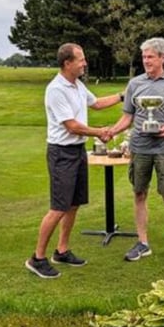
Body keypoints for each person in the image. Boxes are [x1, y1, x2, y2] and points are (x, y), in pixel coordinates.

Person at [25, 43, 124, 279]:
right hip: (61, 153)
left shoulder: (77, 85)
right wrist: (100, 132)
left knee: (73, 204)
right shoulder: (56, 89)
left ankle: (61, 250)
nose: (85, 63)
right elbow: (71, 126)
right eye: (80, 59)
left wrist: (123, 95)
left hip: (77, 151)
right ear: (67, 63)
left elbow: (97, 103)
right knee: (58, 207)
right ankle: (37, 258)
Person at [108, 37, 164, 266]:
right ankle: (143, 243)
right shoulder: (135, 84)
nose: (146, 61)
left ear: (162, 57)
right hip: (140, 147)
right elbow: (128, 117)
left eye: (150, 57)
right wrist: (111, 131)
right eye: (144, 57)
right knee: (139, 193)